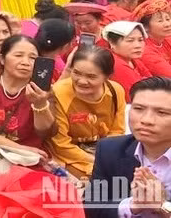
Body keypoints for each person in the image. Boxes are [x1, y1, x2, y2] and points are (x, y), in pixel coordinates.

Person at [86, 76, 171, 218]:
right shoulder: (110, 149)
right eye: (138, 109)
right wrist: (132, 205)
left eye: (161, 112)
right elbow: (93, 206)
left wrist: (162, 206)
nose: (146, 120)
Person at [0, 35, 57, 155]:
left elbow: (47, 133)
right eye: (18, 55)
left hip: (31, 159)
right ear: (2, 59)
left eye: (33, 58)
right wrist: (22, 150)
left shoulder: (43, 90)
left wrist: (39, 104)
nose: (26, 62)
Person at [48, 46, 126, 179]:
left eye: (91, 76)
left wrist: (106, 157)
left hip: (102, 151)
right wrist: (98, 161)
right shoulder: (59, 93)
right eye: (76, 73)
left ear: (107, 76)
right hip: (70, 156)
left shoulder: (115, 91)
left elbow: (116, 132)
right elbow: (61, 145)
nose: (82, 81)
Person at [103, 21, 152, 101]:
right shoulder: (115, 64)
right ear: (112, 43)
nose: (138, 45)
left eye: (140, 40)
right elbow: (136, 98)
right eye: (130, 40)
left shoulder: (133, 60)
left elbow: (154, 82)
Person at [134, 0, 171, 78]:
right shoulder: (144, 49)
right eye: (160, 21)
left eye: (168, 19)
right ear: (146, 26)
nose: (167, 24)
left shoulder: (166, 40)